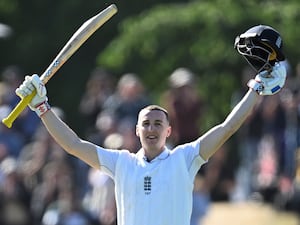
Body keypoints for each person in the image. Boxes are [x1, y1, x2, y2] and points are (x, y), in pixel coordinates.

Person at [14, 25, 287, 225]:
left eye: (158, 124)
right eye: (146, 124)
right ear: (137, 130)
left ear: (169, 131)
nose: (152, 128)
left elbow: (228, 127)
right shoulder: (122, 163)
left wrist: (257, 89)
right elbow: (73, 145)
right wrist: (42, 108)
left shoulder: (185, 158)